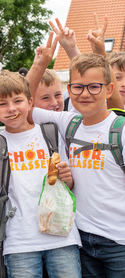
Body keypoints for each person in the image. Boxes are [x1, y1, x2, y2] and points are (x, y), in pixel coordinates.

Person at [0, 70, 82, 277]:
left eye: (17, 101)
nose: (11, 109)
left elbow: (71, 184)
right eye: (3, 104)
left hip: (63, 235)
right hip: (20, 241)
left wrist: (69, 178)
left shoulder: (51, 132)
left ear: (30, 102)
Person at [31, 52, 125, 277]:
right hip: (81, 240)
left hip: (120, 243)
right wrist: (40, 64)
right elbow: (23, 107)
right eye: (77, 87)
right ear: (69, 90)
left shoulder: (121, 131)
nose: (85, 94)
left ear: (108, 90)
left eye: (94, 87)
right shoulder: (68, 122)